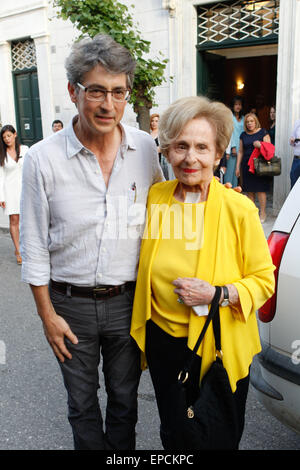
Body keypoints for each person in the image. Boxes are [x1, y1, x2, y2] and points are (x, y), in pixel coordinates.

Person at [20, 34, 164, 450]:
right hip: (70, 305)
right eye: (96, 91)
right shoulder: (42, 159)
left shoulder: (145, 150)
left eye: (118, 92)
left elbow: (161, 221)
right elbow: (33, 246)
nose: (108, 104)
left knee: (125, 402)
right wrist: (48, 316)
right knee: (81, 404)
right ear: (73, 91)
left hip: (128, 302)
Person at [130, 96, 275, 450]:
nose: (190, 158)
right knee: (175, 433)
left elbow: (264, 280)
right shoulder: (158, 198)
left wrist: (217, 294)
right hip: (164, 340)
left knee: (215, 434)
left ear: (217, 152)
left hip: (216, 344)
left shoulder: (237, 208)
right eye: (180, 146)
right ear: (166, 150)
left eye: (200, 147)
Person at [0, 125, 29, 264]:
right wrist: (1, 196)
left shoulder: (25, 149)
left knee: (28, 220)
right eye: (4, 137)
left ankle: (29, 248)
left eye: (9, 136)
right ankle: (18, 250)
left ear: (15, 134)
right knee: (14, 220)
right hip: (10, 190)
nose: (7, 139)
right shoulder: (2, 154)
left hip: (26, 189)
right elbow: (0, 176)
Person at [236, 113, 271, 223]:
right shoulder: (243, 135)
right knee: (249, 191)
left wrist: (260, 145)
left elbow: (270, 149)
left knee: (260, 190)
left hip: (260, 165)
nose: (249, 123)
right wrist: (237, 167)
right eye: (247, 122)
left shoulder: (263, 132)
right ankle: (253, 213)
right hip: (246, 165)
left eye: (251, 121)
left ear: (256, 121)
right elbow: (241, 151)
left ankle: (263, 213)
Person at [224, 96, 244, 187]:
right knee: (230, 171)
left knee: (237, 172)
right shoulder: (229, 117)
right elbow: (229, 133)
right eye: (236, 104)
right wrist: (233, 147)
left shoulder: (244, 118)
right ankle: (227, 191)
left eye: (239, 104)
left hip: (242, 148)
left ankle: (234, 192)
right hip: (233, 148)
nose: (238, 106)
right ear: (232, 106)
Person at [150, 113, 170, 180]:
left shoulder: (162, 134)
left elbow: (164, 147)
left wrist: (154, 150)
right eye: (152, 121)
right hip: (152, 163)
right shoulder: (148, 134)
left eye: (156, 121)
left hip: (161, 162)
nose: (154, 123)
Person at [289, 118, 300, 189]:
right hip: (297, 159)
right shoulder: (298, 122)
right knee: (294, 184)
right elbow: (291, 140)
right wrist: (292, 141)